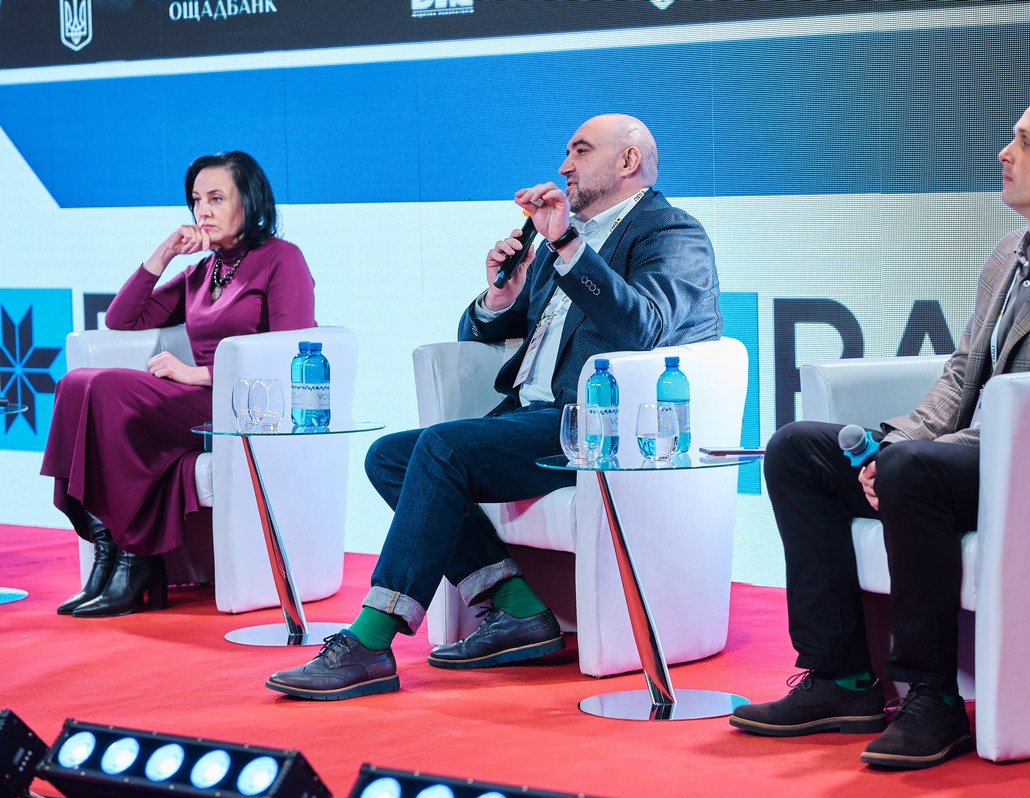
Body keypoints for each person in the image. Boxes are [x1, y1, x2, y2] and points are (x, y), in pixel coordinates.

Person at [729, 89, 1030, 769]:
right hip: (966, 461)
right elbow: (963, 377)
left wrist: (907, 458)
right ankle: (840, 679)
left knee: (912, 468)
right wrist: (892, 444)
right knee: (798, 449)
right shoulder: (1010, 253)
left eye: (1025, 141)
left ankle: (930, 698)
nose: (1005, 152)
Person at [267, 113, 722, 700]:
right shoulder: (565, 240)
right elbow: (495, 332)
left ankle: (372, 641)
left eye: (580, 151)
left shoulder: (670, 233)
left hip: (600, 426)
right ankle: (517, 607)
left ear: (628, 161)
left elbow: (647, 328)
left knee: (440, 447)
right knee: (389, 457)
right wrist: (497, 297)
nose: (564, 166)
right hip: (533, 417)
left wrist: (567, 246)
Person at [42, 151, 317, 618]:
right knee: (75, 383)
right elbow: (121, 319)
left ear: (250, 202)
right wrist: (164, 253)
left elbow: (286, 353)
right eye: (196, 200)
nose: (202, 211)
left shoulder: (282, 259)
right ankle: (110, 553)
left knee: (106, 389)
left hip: (242, 404)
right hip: (196, 399)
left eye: (216, 198)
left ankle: (137, 559)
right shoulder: (203, 272)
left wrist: (200, 373)